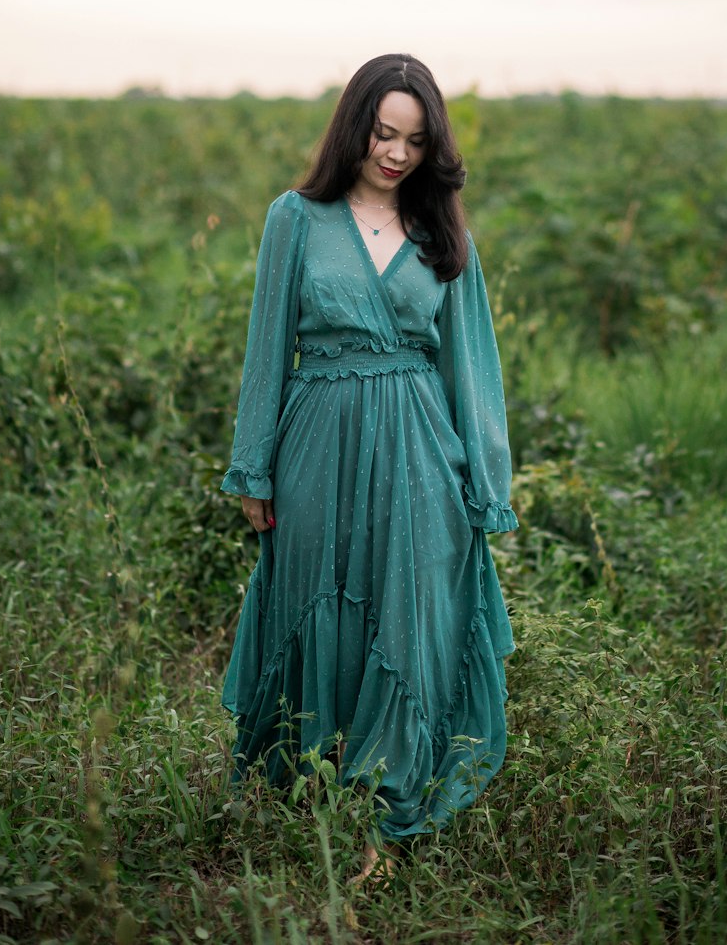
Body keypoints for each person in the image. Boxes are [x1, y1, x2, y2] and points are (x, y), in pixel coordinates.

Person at [220, 52, 518, 882]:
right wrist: (255, 471)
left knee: (410, 610)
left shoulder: (442, 230)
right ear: (355, 127)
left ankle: (385, 802)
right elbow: (265, 350)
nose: (395, 154)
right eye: (383, 133)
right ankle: (310, 788)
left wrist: (484, 483)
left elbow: (472, 363)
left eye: (415, 141)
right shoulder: (297, 218)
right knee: (318, 598)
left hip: (422, 446)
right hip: (316, 439)